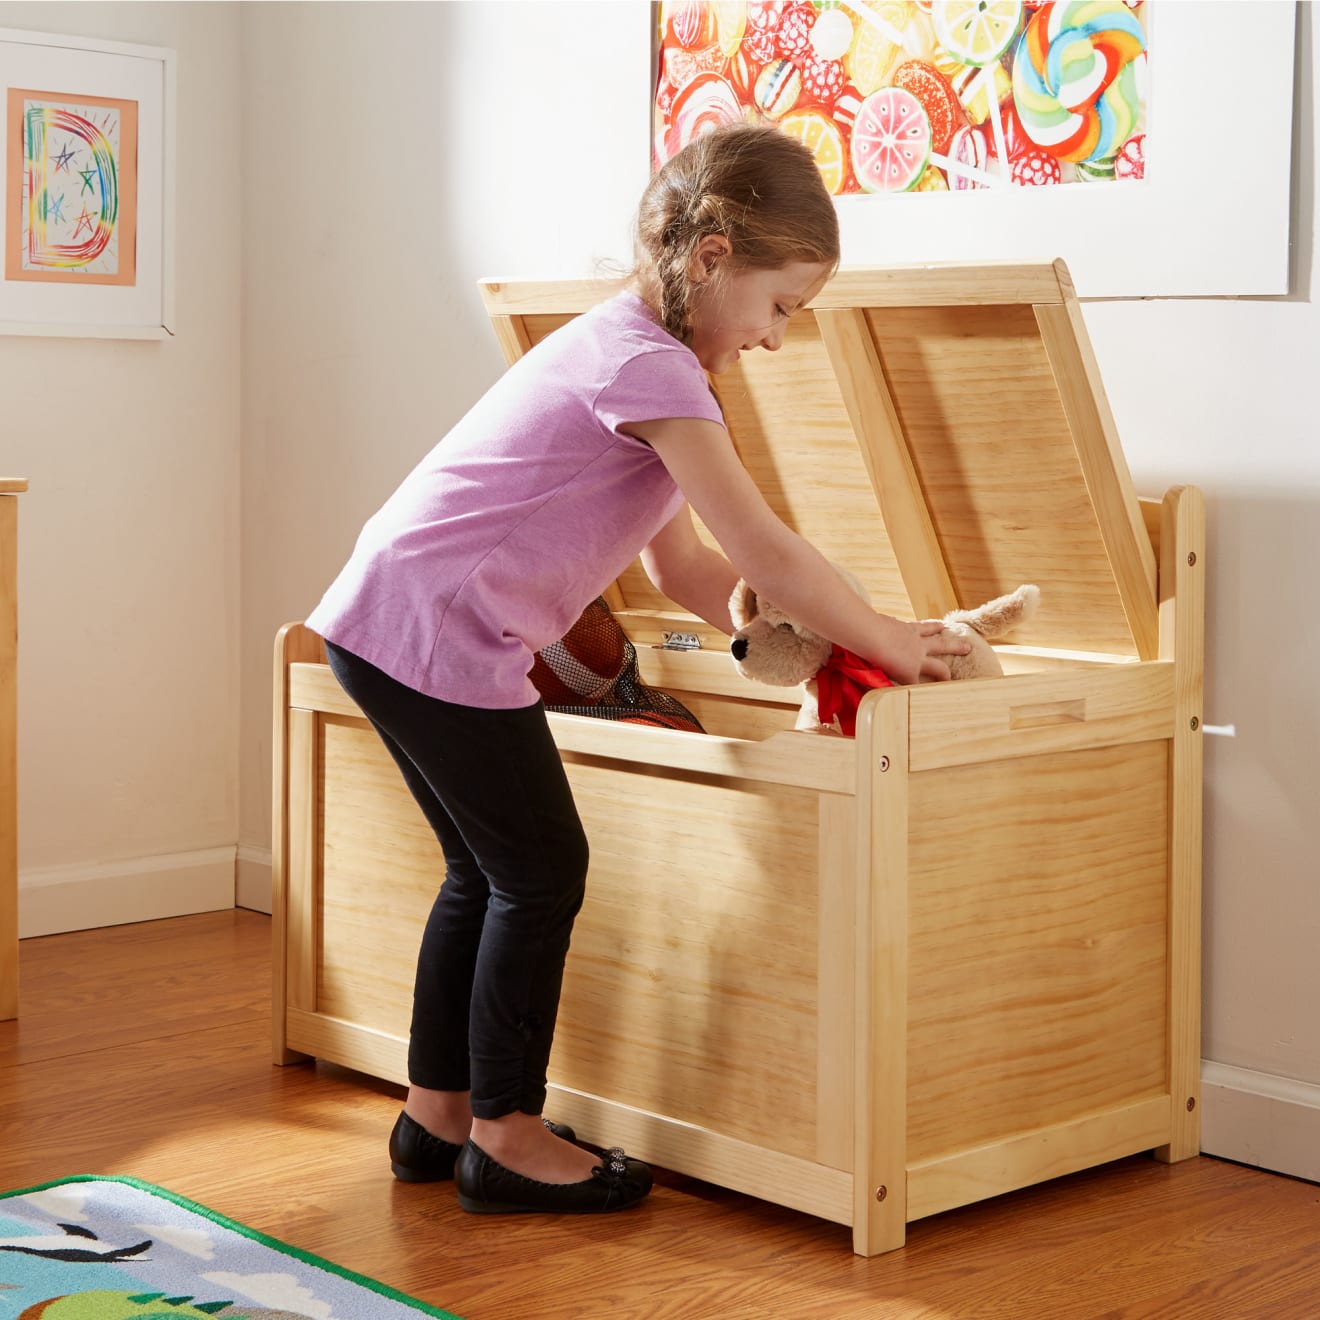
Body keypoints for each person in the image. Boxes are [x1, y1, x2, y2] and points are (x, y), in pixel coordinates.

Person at [306, 122, 969, 1218]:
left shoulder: (639, 352)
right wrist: (890, 640)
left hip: (386, 616)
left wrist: (770, 641)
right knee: (540, 873)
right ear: (711, 257)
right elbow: (767, 551)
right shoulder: (649, 366)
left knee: (483, 872)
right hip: (441, 631)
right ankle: (507, 1136)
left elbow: (688, 567)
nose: (776, 338)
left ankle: (439, 1117)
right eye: (780, 306)